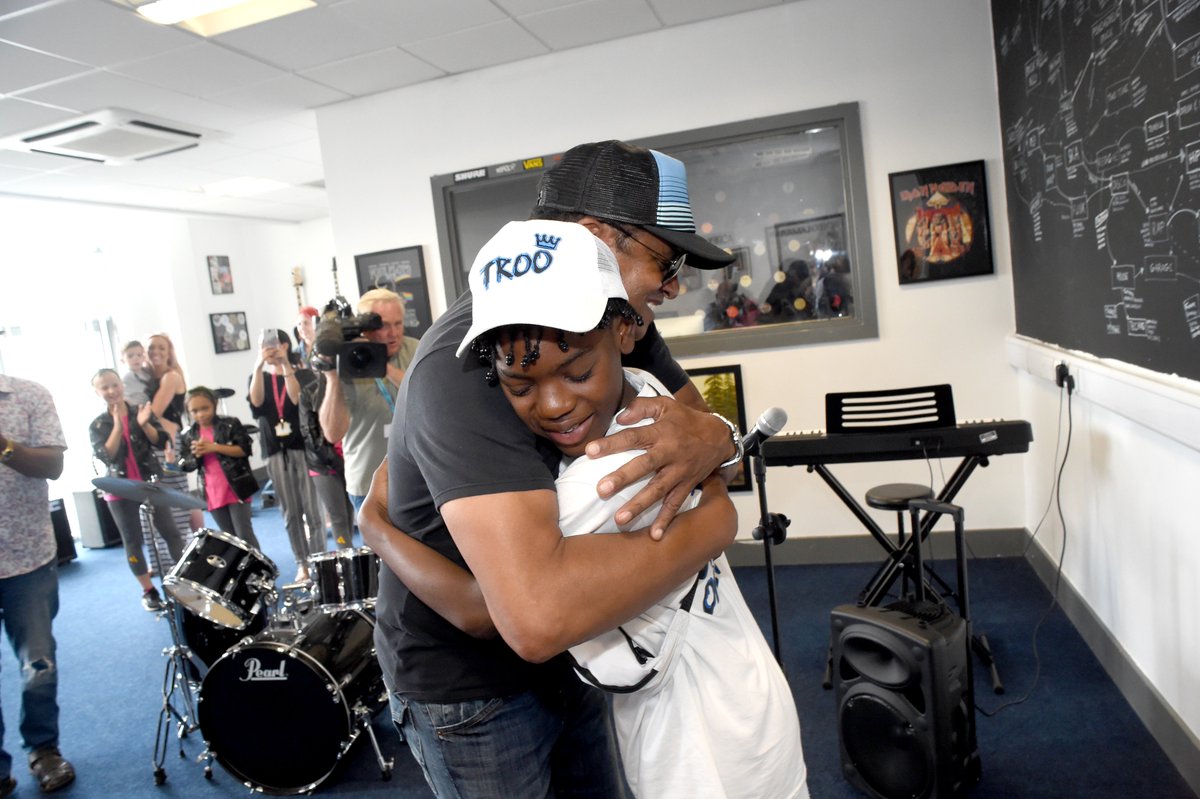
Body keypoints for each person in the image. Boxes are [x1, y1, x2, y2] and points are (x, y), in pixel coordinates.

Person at [363, 220, 808, 798]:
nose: (553, 405)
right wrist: (717, 473)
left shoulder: (605, 474)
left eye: (577, 373)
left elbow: (504, 614)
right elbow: (706, 437)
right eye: (520, 386)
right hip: (480, 689)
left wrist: (375, 529)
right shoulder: (644, 393)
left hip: (700, 742)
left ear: (625, 331)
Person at [0, 374, 76, 795]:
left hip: (26, 556)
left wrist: (4, 446)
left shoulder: (28, 395)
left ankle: (43, 749)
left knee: (38, 665)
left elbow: (53, 465)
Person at [88, 369, 187, 611]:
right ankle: (148, 590)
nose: (111, 391)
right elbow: (106, 455)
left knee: (171, 532)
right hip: (119, 489)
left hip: (150, 483)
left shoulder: (141, 411)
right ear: (97, 392)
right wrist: (116, 427)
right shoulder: (98, 424)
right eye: (105, 388)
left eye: (114, 385)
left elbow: (161, 440)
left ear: (121, 384)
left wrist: (144, 425)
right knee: (132, 540)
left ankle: (184, 582)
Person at [318, 288, 419, 509]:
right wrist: (333, 377)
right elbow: (333, 433)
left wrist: (383, 366)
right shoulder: (347, 359)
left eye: (398, 323)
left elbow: (427, 397)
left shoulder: (415, 348)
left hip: (416, 478)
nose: (393, 333)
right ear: (365, 328)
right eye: (383, 325)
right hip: (368, 484)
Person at [248, 328, 323, 580]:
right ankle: (302, 562)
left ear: (286, 345)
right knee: (290, 512)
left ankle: (318, 560)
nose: (269, 349)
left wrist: (285, 365)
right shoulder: (257, 376)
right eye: (264, 345)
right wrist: (259, 367)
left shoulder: (300, 373)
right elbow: (257, 403)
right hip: (275, 451)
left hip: (302, 447)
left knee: (312, 509)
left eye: (274, 344)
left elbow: (294, 399)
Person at [177, 387, 260, 550]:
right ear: (188, 411)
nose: (200, 414)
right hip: (212, 490)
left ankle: (258, 572)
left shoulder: (230, 423)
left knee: (244, 533)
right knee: (229, 537)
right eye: (194, 411)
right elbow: (185, 465)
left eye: (205, 408)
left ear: (214, 405)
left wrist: (214, 447)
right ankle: (238, 574)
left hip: (236, 486)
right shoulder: (188, 434)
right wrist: (196, 455)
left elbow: (244, 450)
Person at [145, 332, 203, 539]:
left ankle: (198, 539)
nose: (156, 352)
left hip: (169, 443)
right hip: (155, 440)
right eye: (151, 347)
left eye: (161, 347)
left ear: (169, 352)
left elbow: (153, 413)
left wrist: (143, 417)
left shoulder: (171, 377)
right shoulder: (147, 378)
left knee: (177, 489)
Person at [297, 376, 356, 547]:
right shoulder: (309, 392)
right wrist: (337, 463)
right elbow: (311, 436)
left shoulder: (354, 384)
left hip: (352, 460)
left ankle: (349, 554)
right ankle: (347, 558)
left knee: (349, 514)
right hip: (324, 465)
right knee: (338, 517)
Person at [119, 340, 154, 406]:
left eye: (139, 355)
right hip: (135, 408)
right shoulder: (127, 377)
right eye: (130, 356)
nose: (136, 358)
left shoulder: (147, 373)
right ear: (122, 360)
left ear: (144, 358)